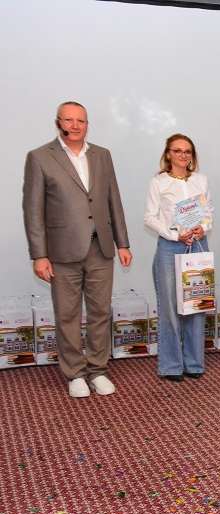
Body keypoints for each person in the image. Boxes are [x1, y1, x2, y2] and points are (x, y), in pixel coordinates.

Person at [22, 101, 132, 398]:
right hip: (61, 252)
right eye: (68, 120)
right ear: (58, 123)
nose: (75, 126)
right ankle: (75, 374)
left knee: (100, 313)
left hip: (101, 248)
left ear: (87, 124)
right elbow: (33, 211)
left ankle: (97, 370)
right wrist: (39, 255)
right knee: (67, 315)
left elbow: (113, 200)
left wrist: (122, 243)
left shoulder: (102, 155)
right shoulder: (39, 157)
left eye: (80, 121)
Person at [144, 134, 213, 382]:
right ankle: (172, 365)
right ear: (168, 154)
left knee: (197, 305)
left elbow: (209, 213)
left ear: (192, 155)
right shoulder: (158, 182)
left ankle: (194, 363)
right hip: (170, 246)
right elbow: (150, 218)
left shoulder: (201, 180)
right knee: (170, 308)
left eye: (187, 151)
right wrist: (175, 235)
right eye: (178, 151)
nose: (183, 155)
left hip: (198, 245)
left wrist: (203, 228)